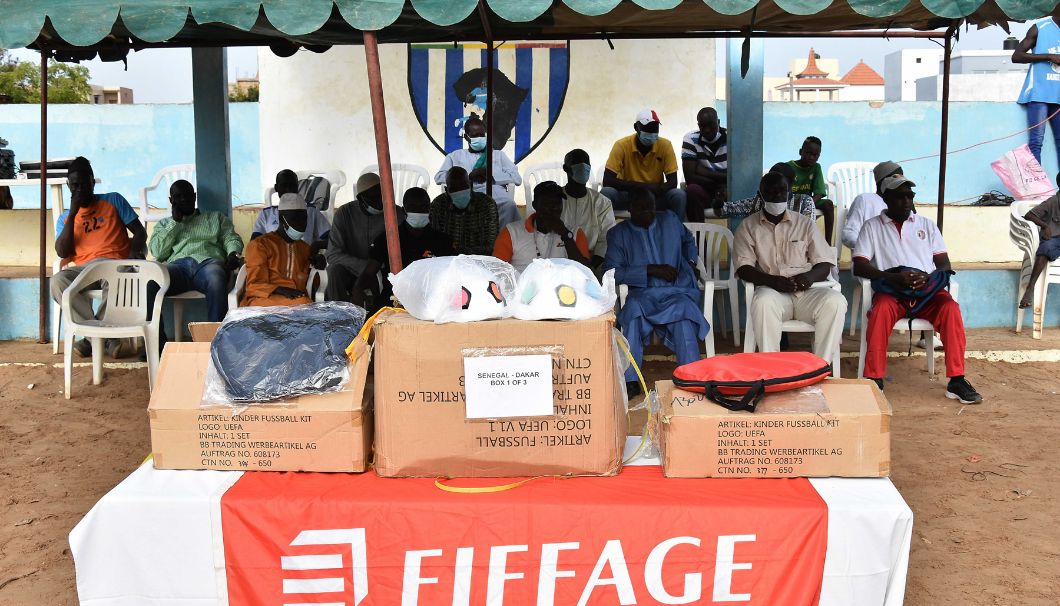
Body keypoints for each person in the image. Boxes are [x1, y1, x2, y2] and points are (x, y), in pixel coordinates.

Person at [852, 175, 983, 404]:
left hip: (926, 293)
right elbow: (860, 265)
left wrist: (927, 279)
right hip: (892, 291)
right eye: (899, 196)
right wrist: (894, 277)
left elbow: (944, 264)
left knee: (951, 309)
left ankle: (957, 380)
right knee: (880, 310)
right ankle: (873, 379)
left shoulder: (927, 225)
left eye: (910, 196)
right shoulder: (871, 226)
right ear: (885, 198)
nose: (906, 201)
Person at [603, 187, 707, 397]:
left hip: (676, 290)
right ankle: (631, 379)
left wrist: (690, 261)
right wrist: (651, 269)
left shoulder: (669, 219)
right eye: (639, 207)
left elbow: (688, 240)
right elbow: (611, 273)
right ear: (629, 208)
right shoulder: (618, 233)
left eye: (649, 206)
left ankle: (691, 375)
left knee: (685, 315)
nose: (646, 211)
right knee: (631, 315)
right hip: (643, 295)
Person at [734, 172, 846, 362]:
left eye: (781, 191)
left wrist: (810, 277)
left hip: (806, 293)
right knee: (762, 302)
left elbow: (824, 263)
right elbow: (743, 267)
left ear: (789, 194)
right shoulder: (748, 227)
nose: (777, 196)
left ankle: (820, 368)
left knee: (836, 301)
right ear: (760, 195)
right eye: (770, 192)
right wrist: (773, 281)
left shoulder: (805, 224)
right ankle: (773, 373)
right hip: (772, 292)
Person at [52, 156, 148, 358]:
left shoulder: (113, 200)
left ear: (92, 183)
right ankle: (98, 336)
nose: (80, 189)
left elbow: (140, 232)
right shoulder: (65, 217)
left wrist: (133, 253)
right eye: (75, 185)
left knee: (114, 276)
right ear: (69, 186)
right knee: (58, 281)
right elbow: (62, 252)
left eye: (84, 184)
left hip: (114, 264)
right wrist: (74, 213)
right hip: (84, 270)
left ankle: (91, 338)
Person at [148, 180, 244, 323]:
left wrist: (233, 254)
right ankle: (160, 343)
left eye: (187, 195)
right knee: (150, 282)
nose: (183, 199)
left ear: (194, 197)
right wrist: (175, 222)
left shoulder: (215, 218)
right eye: (178, 196)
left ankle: (216, 339)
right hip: (178, 268)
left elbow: (232, 238)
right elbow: (158, 252)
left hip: (208, 264)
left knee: (215, 279)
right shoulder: (164, 224)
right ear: (171, 200)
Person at [348, 187, 455, 312]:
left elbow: (452, 273)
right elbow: (369, 272)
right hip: (393, 298)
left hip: (431, 299)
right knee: (371, 325)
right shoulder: (388, 239)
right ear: (404, 210)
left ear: (430, 209)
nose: (418, 211)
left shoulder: (443, 241)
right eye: (413, 208)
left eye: (423, 207)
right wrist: (358, 288)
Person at [325, 173, 405, 302]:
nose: (380, 202)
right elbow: (333, 255)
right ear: (360, 198)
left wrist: (375, 269)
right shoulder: (345, 213)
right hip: (350, 269)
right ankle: (338, 315)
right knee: (334, 271)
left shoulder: (396, 213)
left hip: (384, 271)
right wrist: (366, 267)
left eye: (382, 196)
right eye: (373, 198)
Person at [433, 114, 522, 227]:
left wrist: (492, 176)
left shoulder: (498, 155)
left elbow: (516, 178)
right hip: (467, 192)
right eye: (475, 135)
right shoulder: (455, 156)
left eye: (482, 135)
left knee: (509, 204)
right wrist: (468, 177)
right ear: (466, 137)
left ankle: (501, 241)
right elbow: (439, 177)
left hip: (495, 191)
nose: (479, 138)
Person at [601, 109, 687, 221]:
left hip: (654, 197)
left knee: (679, 195)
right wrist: (646, 187)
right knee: (606, 193)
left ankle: (676, 233)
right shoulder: (621, 145)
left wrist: (657, 190)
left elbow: (672, 181)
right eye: (648, 129)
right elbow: (608, 180)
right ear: (636, 127)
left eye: (655, 128)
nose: (652, 132)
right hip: (628, 196)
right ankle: (605, 235)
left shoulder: (665, 145)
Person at [241, 193, 325, 307]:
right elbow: (254, 285)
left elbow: (306, 278)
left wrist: (319, 264)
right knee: (305, 305)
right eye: (296, 219)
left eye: (304, 218)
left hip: (294, 301)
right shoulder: (260, 245)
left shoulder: (303, 247)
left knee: (307, 306)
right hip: (262, 301)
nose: (302, 224)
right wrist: (280, 289)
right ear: (281, 219)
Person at [493, 181, 591, 273]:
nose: (555, 207)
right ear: (535, 205)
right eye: (548, 203)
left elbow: (585, 273)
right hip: (522, 288)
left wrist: (566, 235)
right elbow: (496, 271)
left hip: (561, 289)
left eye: (558, 203)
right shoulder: (512, 232)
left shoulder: (575, 233)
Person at [1013, 17, 1060, 165]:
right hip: (1039, 94)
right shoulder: (1040, 27)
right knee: (1036, 141)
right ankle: (1036, 186)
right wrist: (1048, 56)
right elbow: (1016, 56)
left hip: (1058, 96)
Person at [561, 149, 616, 272]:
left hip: (592, 262)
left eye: (586, 162)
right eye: (577, 162)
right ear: (566, 168)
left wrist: (589, 267)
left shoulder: (602, 203)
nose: (583, 166)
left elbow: (606, 240)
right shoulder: (556, 200)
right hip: (559, 260)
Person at [252, 169, 330, 254]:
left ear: (297, 187)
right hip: (274, 262)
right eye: (284, 185)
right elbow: (254, 243)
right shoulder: (266, 214)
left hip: (304, 261)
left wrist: (317, 244)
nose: (289, 189)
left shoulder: (311, 211)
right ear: (276, 188)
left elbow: (333, 239)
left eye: (293, 186)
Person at [430, 166, 499, 256]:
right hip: (446, 262)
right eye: (454, 189)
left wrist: (464, 252)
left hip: (477, 263)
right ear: (447, 190)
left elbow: (492, 246)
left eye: (463, 187)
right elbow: (432, 242)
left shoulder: (486, 204)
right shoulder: (438, 205)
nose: (459, 192)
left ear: (471, 186)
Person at [714, 162, 815, 219]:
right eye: (771, 182)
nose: (776, 190)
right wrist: (719, 201)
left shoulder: (804, 202)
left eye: (781, 185)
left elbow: (810, 234)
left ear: (791, 183)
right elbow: (725, 211)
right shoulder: (758, 201)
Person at [840, 161, 903, 252]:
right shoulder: (865, 200)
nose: (901, 182)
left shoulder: (903, 203)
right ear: (883, 181)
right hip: (871, 261)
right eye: (896, 177)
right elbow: (849, 234)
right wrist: (872, 247)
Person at [1019, 173, 1060, 309]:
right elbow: (1029, 214)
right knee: (1045, 248)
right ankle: (1030, 289)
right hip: (1054, 238)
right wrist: (1045, 226)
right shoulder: (1053, 201)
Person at [682, 107, 728, 222]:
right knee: (692, 191)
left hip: (730, 191)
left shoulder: (732, 138)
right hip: (707, 191)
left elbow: (737, 179)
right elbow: (690, 178)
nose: (707, 130)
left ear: (718, 122)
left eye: (711, 125)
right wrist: (723, 180)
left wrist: (706, 172)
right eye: (702, 126)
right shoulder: (691, 139)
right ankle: (699, 238)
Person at [788, 136, 835, 244]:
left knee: (828, 204)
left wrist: (807, 204)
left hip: (809, 202)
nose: (811, 158)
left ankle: (828, 244)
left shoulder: (816, 167)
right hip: (790, 202)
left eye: (815, 155)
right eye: (808, 153)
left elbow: (819, 192)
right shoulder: (789, 167)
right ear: (801, 152)